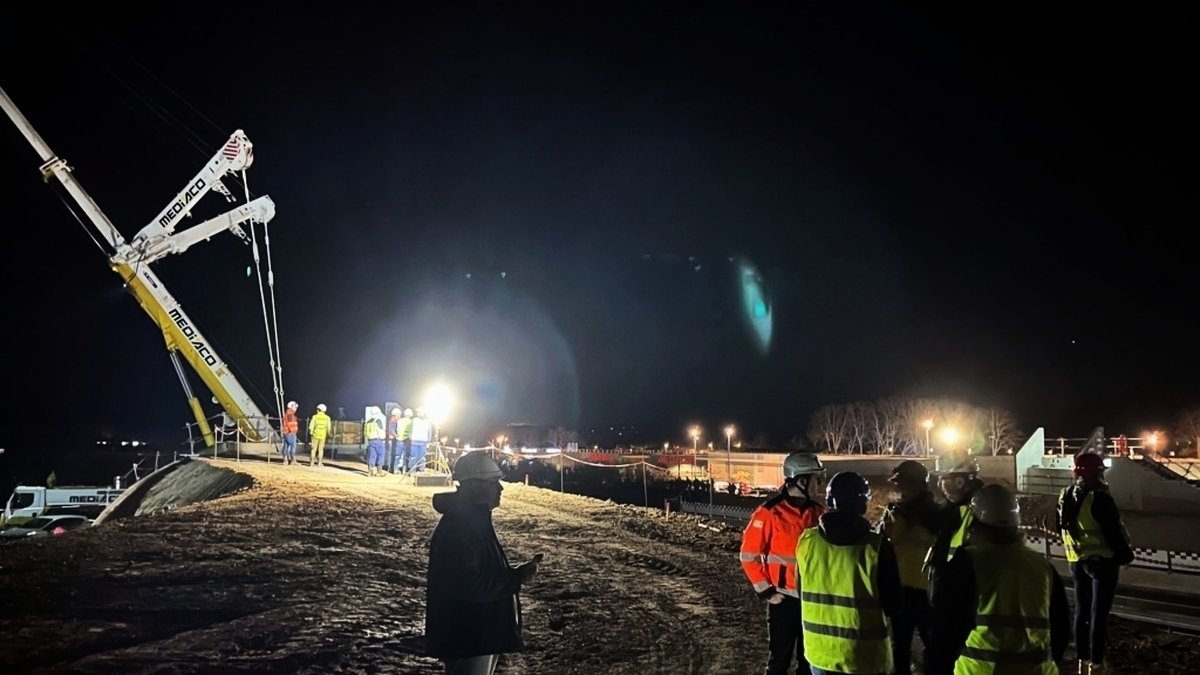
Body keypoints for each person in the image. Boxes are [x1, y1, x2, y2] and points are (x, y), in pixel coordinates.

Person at [929, 484, 1070, 675]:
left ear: (973, 523)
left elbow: (945, 632)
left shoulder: (968, 563)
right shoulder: (1042, 566)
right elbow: (1061, 632)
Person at [425, 451, 540, 674]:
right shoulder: (461, 526)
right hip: (470, 636)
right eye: (494, 482)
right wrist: (517, 578)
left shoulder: (471, 520)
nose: (501, 488)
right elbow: (468, 585)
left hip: (476, 634)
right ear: (476, 486)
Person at [799, 471, 903, 675]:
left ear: (830, 501)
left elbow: (800, 589)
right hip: (864, 657)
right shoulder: (876, 547)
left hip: (819, 654)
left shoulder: (806, 542)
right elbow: (894, 605)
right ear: (863, 504)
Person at [739, 451, 826, 675]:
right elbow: (749, 555)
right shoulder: (769, 513)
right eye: (817, 479)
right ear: (802, 480)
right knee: (779, 661)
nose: (820, 484)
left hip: (812, 600)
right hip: (783, 600)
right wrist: (767, 592)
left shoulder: (818, 513)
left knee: (809, 660)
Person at [1057, 452, 1133, 675]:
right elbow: (1112, 534)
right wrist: (1126, 556)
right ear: (1099, 473)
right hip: (1103, 564)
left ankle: (1082, 662)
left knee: (1082, 613)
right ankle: (1097, 665)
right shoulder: (1100, 498)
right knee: (1099, 615)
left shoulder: (1065, 495)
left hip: (1076, 562)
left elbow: (1060, 527)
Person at [878, 460, 939, 674]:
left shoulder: (935, 516)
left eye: (903, 484)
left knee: (934, 647)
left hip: (927, 593)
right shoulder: (894, 513)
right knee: (900, 647)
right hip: (902, 590)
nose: (898, 489)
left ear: (918, 485)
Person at [924, 457, 984, 586]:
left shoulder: (978, 512)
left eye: (943, 479)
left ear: (959, 481)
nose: (940, 484)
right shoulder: (952, 510)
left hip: (962, 590)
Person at [364, 406, 387, 476]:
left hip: (370, 441)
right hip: (378, 440)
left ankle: (370, 471)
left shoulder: (367, 422)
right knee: (381, 454)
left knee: (372, 455)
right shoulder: (377, 421)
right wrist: (383, 438)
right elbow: (380, 431)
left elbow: (365, 433)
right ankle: (379, 471)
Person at [410, 407, 433, 473]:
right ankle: (413, 471)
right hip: (415, 441)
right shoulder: (414, 420)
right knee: (414, 457)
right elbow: (411, 430)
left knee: (422, 458)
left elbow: (429, 432)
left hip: (423, 442)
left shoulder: (427, 421)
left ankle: (421, 470)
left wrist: (428, 441)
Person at [386, 407, 402, 474]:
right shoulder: (393, 421)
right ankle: (391, 468)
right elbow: (392, 430)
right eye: (399, 415)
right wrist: (396, 436)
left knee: (392, 454)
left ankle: (391, 468)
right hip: (392, 440)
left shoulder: (392, 420)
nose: (400, 416)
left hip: (392, 439)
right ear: (395, 415)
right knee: (392, 454)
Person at [399, 408, 415, 473]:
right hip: (408, 440)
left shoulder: (400, 420)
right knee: (407, 455)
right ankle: (405, 470)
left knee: (400, 455)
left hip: (399, 439)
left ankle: (399, 469)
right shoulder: (411, 421)